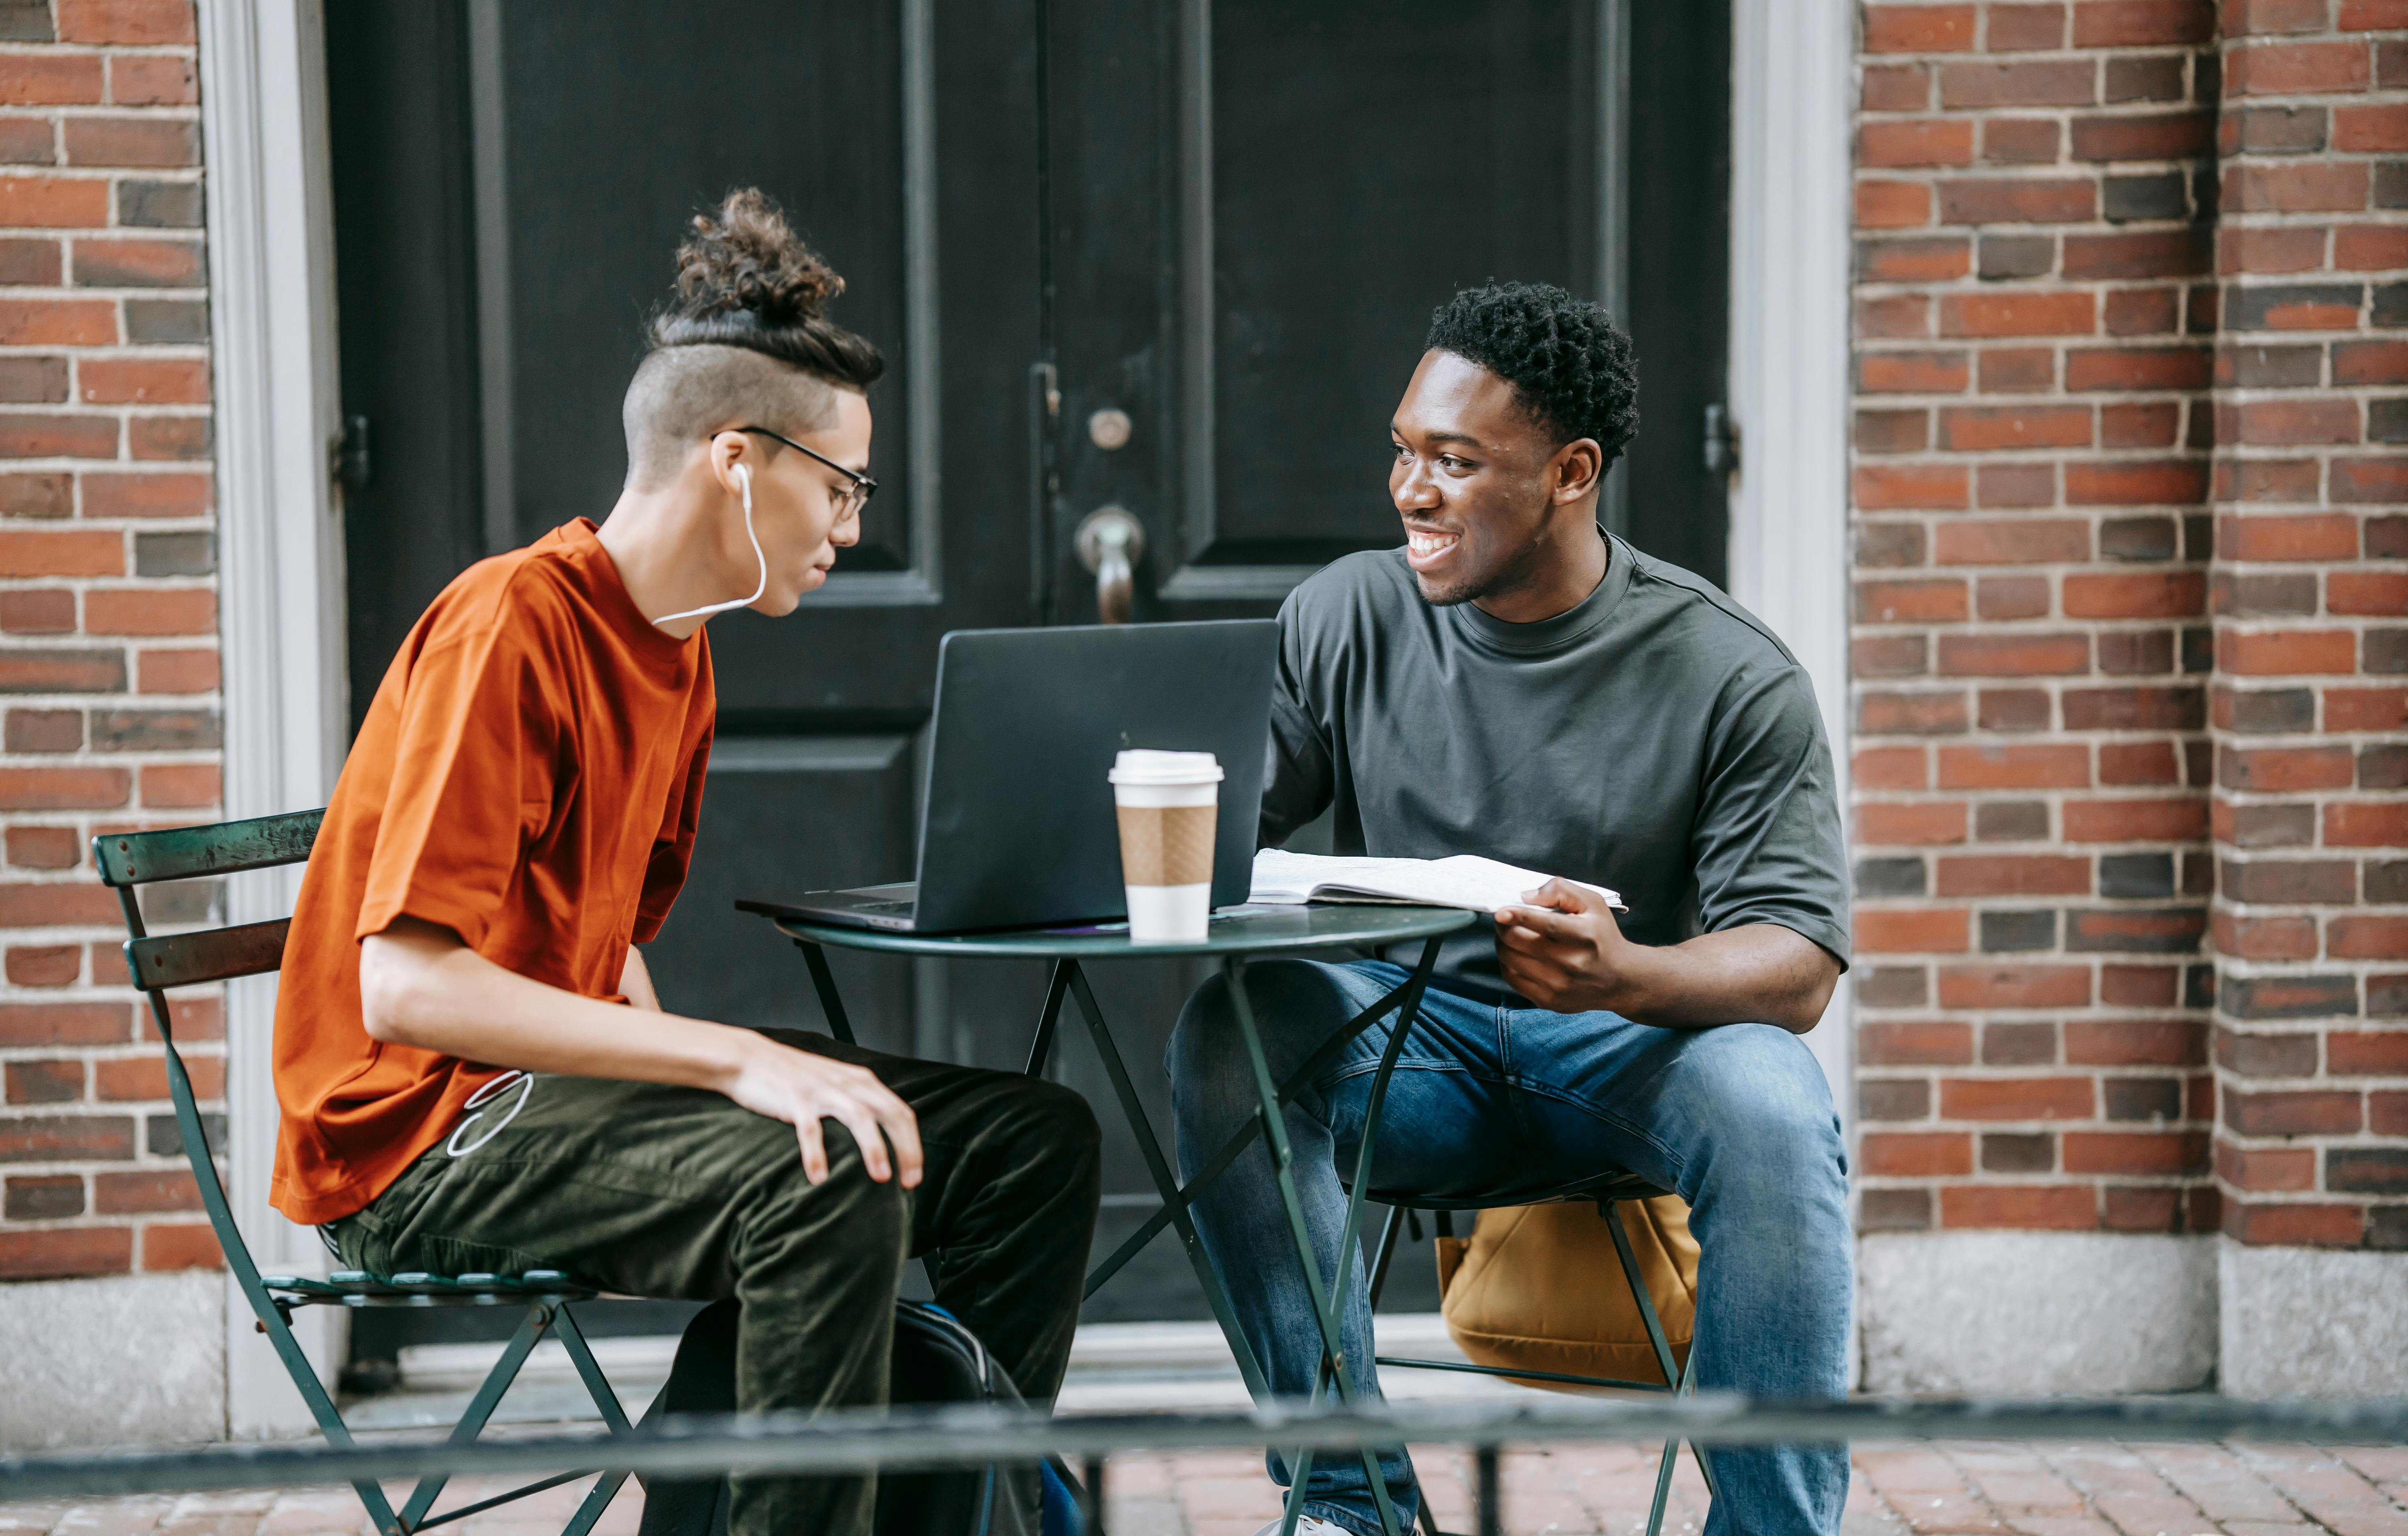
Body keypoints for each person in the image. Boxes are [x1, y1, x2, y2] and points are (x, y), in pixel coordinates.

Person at [269, 190, 1101, 1536]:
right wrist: (734, 1069)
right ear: (735, 459)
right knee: (818, 1174)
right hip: (420, 1137)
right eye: (838, 487)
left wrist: (712, 1098)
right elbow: (407, 992)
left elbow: (606, 941)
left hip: (557, 1094)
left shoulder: (683, 647)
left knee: (1030, 1147)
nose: (850, 523)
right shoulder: (512, 624)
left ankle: (941, 1511)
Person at [1167, 282, 1851, 1536]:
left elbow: (1797, 962)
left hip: (1629, 1057)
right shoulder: (1346, 617)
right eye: (1404, 451)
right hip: (1407, 1052)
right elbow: (1221, 834)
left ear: (1570, 472)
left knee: (1772, 1100)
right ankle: (1351, 1505)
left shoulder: (1731, 673)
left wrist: (1624, 976)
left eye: (1453, 461)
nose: (1409, 491)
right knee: (1234, 1032)